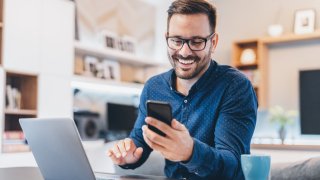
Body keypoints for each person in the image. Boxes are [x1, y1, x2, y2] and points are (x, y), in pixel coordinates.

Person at [107, 0, 258, 179]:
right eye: (177, 40)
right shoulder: (153, 87)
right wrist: (128, 155)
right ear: (167, 38)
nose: (184, 52)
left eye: (196, 41)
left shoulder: (234, 86)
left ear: (213, 42)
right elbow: (140, 141)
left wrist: (190, 152)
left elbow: (232, 165)